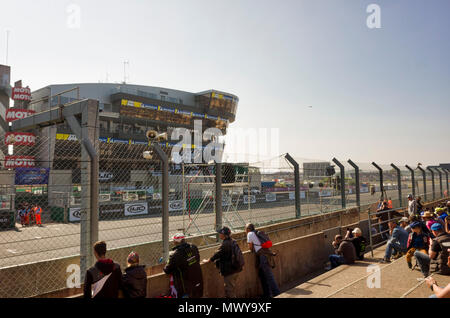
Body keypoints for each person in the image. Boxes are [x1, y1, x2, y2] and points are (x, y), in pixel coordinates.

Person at [203, 227, 242, 298]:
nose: (219, 235)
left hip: (230, 271)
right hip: (236, 269)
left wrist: (208, 260)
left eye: (220, 233)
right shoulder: (233, 241)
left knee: (230, 291)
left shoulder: (225, 244)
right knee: (231, 289)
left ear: (224, 235)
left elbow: (217, 255)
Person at [163, 233, 203, 298]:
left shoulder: (176, 255)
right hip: (197, 281)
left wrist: (169, 260)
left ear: (176, 242)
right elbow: (197, 259)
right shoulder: (194, 247)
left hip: (185, 286)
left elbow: (167, 270)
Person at [245, 223, 280, 298]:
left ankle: (277, 293)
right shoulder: (257, 232)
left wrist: (252, 248)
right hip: (266, 254)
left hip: (263, 256)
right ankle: (267, 294)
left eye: (245, 229)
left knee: (269, 276)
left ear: (248, 229)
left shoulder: (249, 234)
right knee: (263, 276)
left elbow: (250, 247)